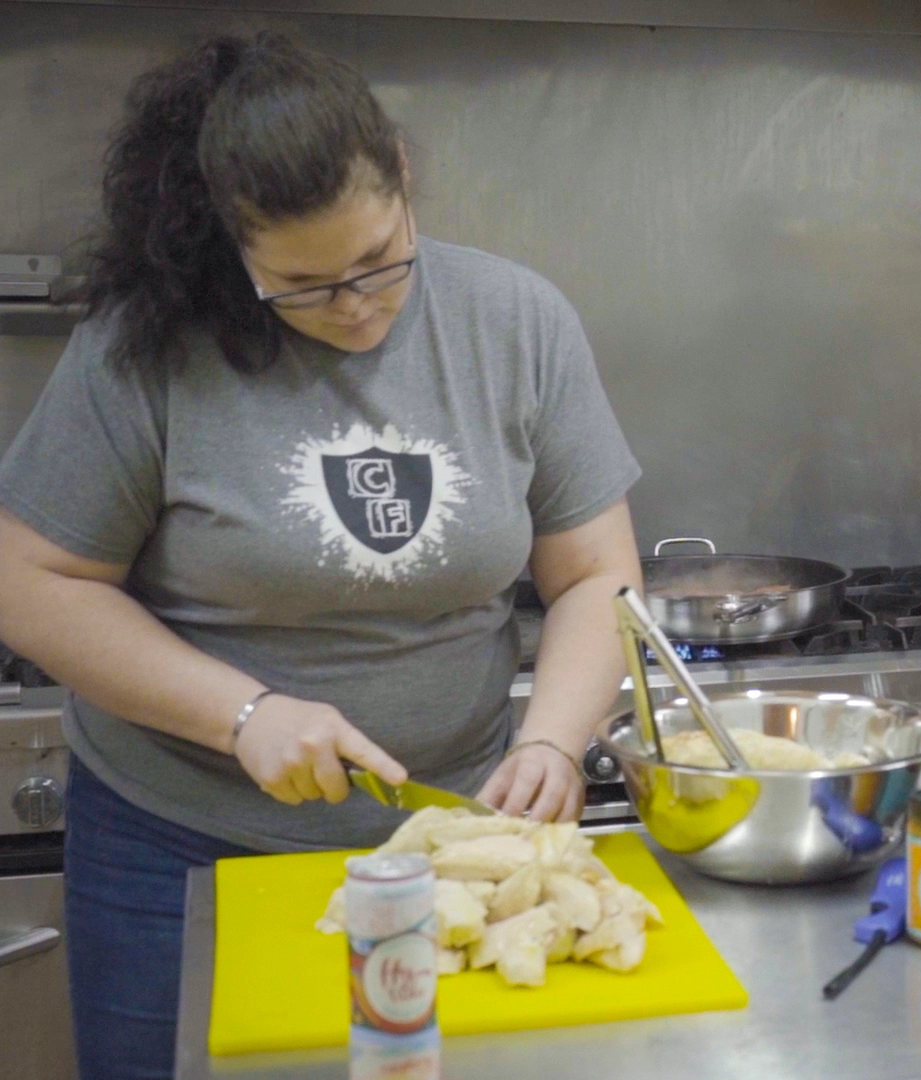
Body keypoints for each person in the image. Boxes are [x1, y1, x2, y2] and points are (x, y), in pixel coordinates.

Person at [0, 34, 643, 1080]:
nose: (353, 305)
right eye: (300, 285)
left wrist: (556, 744)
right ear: (231, 244)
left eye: (379, 259)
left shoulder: (516, 322)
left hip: (454, 850)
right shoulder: (147, 346)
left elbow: (593, 577)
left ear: (400, 173)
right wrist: (242, 715)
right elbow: (26, 579)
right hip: (179, 855)